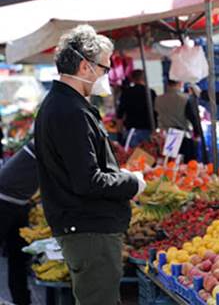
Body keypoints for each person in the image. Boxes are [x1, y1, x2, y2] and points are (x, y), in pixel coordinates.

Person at [34, 25, 146, 305]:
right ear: (85, 66)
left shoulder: (65, 105)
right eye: (105, 68)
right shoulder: (69, 111)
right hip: (89, 230)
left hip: (85, 227)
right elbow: (88, 181)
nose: (107, 75)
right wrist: (132, 181)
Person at [0, 140, 38, 305]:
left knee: (19, 258)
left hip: (20, 203)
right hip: (2, 201)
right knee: (17, 259)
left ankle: (22, 301)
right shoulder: (47, 141)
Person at [154, 80, 203, 162]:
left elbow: (156, 116)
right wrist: (197, 134)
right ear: (180, 83)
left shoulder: (158, 99)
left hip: (166, 136)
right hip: (183, 136)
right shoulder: (186, 98)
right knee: (187, 166)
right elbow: (193, 118)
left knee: (169, 164)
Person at [117, 69, 157, 148]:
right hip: (148, 130)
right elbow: (156, 111)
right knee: (149, 156)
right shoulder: (150, 92)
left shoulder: (126, 92)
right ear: (145, 78)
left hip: (132, 131)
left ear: (132, 79)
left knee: (133, 157)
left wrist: (119, 132)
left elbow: (120, 114)